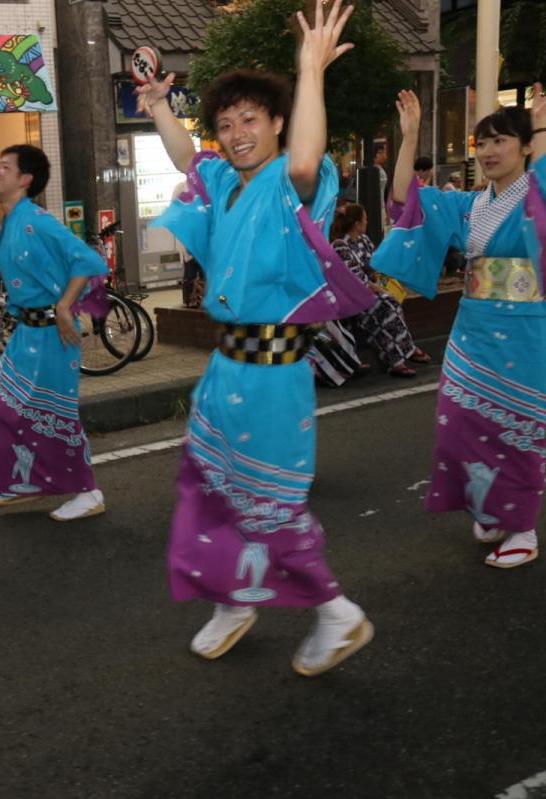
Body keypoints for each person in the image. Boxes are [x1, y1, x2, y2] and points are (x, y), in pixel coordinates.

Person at [136, 0, 377, 676]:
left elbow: (305, 158)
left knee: (269, 502)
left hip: (275, 373)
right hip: (225, 367)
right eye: (226, 123)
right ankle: (232, 598)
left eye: (251, 120)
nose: (238, 134)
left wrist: (309, 72)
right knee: (207, 485)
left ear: (275, 122)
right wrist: (159, 102)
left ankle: (336, 613)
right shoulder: (222, 182)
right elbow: (190, 157)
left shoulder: (290, 185)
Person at [371, 86, 546, 568]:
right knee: (461, 423)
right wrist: (409, 138)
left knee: (518, 431)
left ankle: (523, 527)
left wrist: (543, 127)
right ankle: (492, 508)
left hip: (528, 331)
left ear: (527, 147)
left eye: (501, 141)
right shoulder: (469, 204)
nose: (488, 152)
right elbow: (408, 201)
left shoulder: (537, 192)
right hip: (472, 329)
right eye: (481, 143)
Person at [0, 144, 108, 522]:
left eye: (5, 166)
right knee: (6, 409)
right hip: (26, 334)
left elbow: (89, 259)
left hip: (52, 334)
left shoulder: (37, 220)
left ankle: (88, 491)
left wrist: (65, 305)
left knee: (55, 416)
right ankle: (26, 481)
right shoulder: (10, 218)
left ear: (25, 179)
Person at [329, 202, 431, 377]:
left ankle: (399, 356)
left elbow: (376, 264)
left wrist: (382, 279)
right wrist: (378, 289)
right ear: (357, 224)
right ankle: (403, 352)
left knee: (390, 302)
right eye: (365, 219)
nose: (367, 222)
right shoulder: (340, 245)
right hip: (351, 296)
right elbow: (352, 278)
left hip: (370, 290)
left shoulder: (364, 240)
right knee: (388, 303)